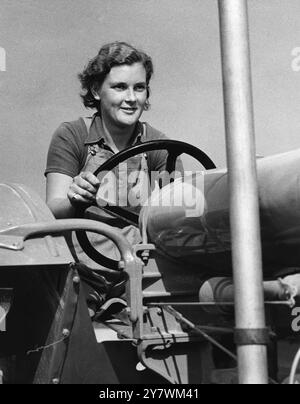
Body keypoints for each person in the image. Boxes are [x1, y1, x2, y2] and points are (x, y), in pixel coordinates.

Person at [45, 41, 182, 316]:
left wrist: (165, 206)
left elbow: (180, 214)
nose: (131, 98)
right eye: (119, 87)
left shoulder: (159, 146)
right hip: (82, 272)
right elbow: (53, 208)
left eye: (139, 88)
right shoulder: (72, 135)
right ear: (96, 90)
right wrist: (75, 197)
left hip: (138, 273)